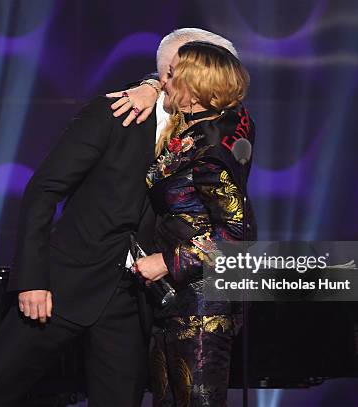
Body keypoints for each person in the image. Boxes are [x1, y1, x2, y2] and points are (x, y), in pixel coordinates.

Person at [0, 97, 157, 405]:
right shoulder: (117, 111)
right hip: (60, 285)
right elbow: (44, 190)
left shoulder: (204, 129)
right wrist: (32, 277)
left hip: (130, 296)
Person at [120, 41, 256, 406]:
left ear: (194, 88)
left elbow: (236, 234)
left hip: (200, 307)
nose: (164, 81)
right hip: (175, 300)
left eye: (171, 75)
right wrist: (151, 85)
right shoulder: (209, 123)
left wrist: (166, 262)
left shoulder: (211, 148)